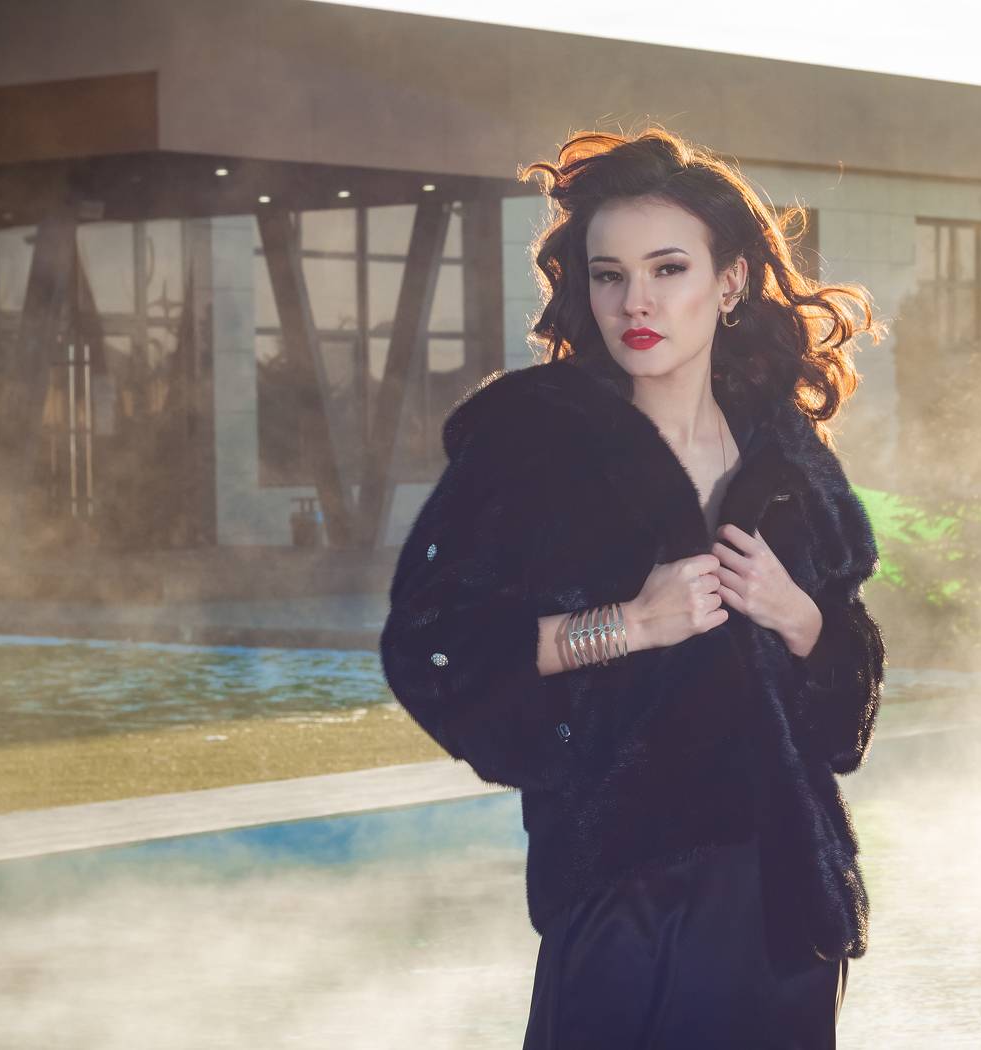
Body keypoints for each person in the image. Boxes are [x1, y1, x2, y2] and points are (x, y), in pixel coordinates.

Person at [380, 125, 889, 1049]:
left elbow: (846, 700)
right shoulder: (532, 445)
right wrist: (626, 624)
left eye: (667, 269)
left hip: (785, 911)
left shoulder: (787, 460)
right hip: (621, 903)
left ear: (729, 282)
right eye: (609, 275)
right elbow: (432, 650)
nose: (635, 302)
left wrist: (801, 618)